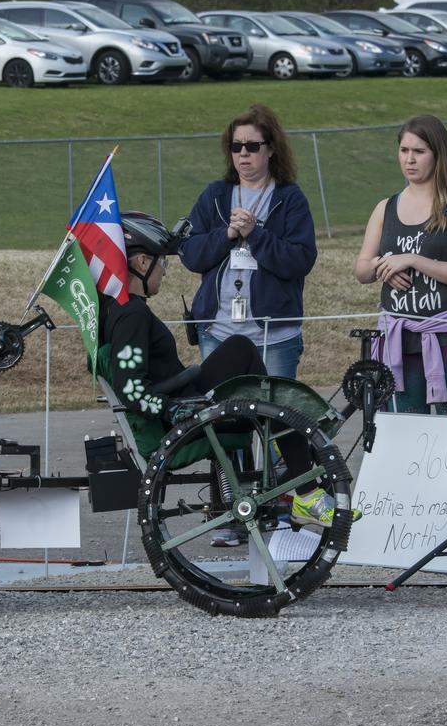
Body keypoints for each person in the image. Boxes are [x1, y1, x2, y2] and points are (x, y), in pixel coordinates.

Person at [101, 211, 339, 547]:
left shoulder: (121, 309)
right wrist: (171, 409)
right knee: (258, 374)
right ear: (141, 262)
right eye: (161, 263)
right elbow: (131, 389)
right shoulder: (132, 313)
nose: (164, 271)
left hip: (185, 400)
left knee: (244, 354)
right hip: (182, 414)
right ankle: (305, 489)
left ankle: (295, 462)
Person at [354, 114, 447, 415]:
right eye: (404, 150)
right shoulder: (385, 208)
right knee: (406, 430)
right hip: (400, 340)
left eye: (419, 152)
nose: (409, 159)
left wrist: (412, 260)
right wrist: (385, 266)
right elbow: (362, 269)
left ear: (438, 155)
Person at [179, 103, 317, 378]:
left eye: (252, 146)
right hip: (217, 332)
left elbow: (300, 259)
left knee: (274, 405)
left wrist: (255, 234)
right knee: (222, 405)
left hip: (273, 336)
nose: (243, 153)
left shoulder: (289, 198)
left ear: (271, 149)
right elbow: (190, 253)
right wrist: (227, 234)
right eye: (236, 146)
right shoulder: (215, 195)